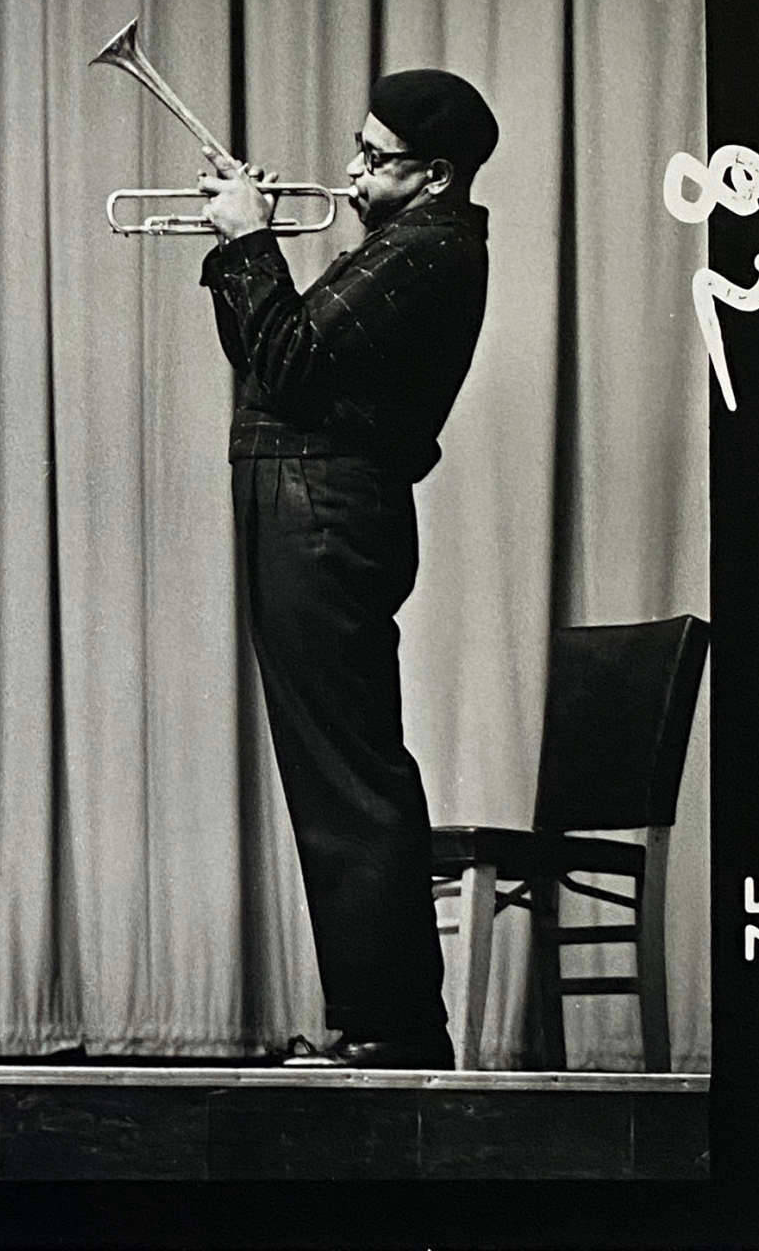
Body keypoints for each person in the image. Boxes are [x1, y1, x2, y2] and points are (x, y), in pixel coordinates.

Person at [196, 69, 498, 1070]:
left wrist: (248, 242)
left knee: (347, 772)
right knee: (335, 767)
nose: (349, 169)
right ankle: (381, 1019)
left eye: (373, 157)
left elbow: (287, 364)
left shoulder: (424, 253)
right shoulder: (406, 247)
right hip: (306, 501)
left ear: (434, 175)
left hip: (321, 510)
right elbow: (269, 362)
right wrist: (237, 254)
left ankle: (392, 1025)